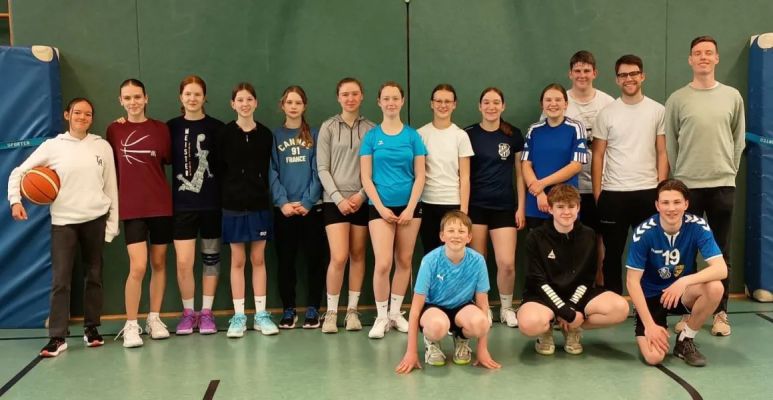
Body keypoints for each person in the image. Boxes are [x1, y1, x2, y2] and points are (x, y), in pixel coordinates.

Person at [8, 98, 118, 357]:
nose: (82, 117)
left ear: (92, 118)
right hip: (64, 222)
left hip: (95, 219)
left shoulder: (101, 146)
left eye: (87, 114)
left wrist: (112, 225)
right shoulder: (53, 146)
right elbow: (18, 172)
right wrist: (15, 200)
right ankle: (57, 337)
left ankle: (92, 328)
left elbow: (111, 186)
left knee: (94, 276)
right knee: (61, 280)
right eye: (77, 112)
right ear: (67, 115)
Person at [665, 36, 745, 337]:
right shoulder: (677, 99)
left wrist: (728, 171)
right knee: (686, 253)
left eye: (709, 53)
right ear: (690, 60)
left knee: (721, 252)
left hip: (723, 184)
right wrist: (681, 177)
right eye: (697, 53)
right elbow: (671, 143)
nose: (703, 57)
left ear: (716, 58)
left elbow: (738, 139)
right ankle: (690, 312)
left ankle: (721, 313)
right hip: (689, 188)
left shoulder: (732, 96)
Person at [626, 179, 727, 367]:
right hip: (651, 296)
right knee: (654, 357)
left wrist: (683, 281)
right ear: (657, 205)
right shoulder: (644, 232)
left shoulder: (697, 226)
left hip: (681, 293)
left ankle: (685, 340)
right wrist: (649, 325)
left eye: (677, 202)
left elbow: (721, 269)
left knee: (715, 287)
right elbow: (632, 282)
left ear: (686, 204)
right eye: (665, 202)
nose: (671, 208)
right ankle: (652, 325)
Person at [517, 184, 628, 356]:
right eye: (560, 207)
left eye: (571, 206)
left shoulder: (589, 235)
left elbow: (587, 278)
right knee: (529, 323)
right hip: (542, 297)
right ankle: (546, 330)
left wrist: (571, 309)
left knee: (620, 308)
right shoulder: (536, 237)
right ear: (551, 209)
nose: (566, 212)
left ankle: (572, 329)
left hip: (577, 296)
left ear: (578, 208)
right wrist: (565, 311)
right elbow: (538, 282)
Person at [592, 55, 668, 294]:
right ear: (617, 80)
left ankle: (650, 300)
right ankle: (613, 302)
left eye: (634, 73)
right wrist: (598, 194)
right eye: (623, 75)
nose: (629, 78)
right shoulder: (606, 113)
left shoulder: (658, 110)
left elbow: (662, 152)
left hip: (648, 192)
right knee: (612, 254)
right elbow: (598, 155)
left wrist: (661, 191)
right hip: (613, 194)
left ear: (642, 76)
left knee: (651, 252)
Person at [108, 79, 173, 348]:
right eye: (127, 98)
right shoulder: (114, 130)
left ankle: (154, 318)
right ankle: (131, 324)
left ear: (146, 98)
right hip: (132, 208)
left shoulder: (161, 129)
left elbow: (167, 160)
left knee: (159, 263)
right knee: (138, 266)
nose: (133, 102)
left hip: (160, 206)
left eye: (137, 97)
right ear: (120, 101)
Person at [360, 81, 427, 339]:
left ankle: (396, 313)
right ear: (379, 102)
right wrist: (380, 207)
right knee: (383, 263)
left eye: (395, 98)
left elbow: (420, 176)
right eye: (386, 98)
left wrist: (410, 208)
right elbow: (366, 178)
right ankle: (381, 316)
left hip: (409, 208)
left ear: (402, 101)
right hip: (380, 208)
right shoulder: (371, 137)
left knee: (404, 260)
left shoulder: (412, 136)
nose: (391, 103)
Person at [395, 211, 500, 373]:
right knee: (437, 326)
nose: (456, 235)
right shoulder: (430, 260)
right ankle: (432, 342)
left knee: (481, 323)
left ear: (469, 237)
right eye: (451, 231)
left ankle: (461, 338)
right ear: (442, 236)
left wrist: (483, 349)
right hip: (434, 308)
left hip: (462, 307)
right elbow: (415, 309)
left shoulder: (478, 261)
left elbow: (483, 304)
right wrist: (411, 352)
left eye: (461, 231)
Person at [219, 82, 279, 338]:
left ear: (256, 103)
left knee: (258, 259)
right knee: (238, 260)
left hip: (258, 206)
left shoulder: (265, 135)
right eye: (240, 100)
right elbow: (218, 169)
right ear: (233, 104)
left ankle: (261, 315)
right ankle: (239, 316)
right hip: (232, 206)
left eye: (249, 99)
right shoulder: (224, 134)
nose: (245, 104)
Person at [167, 75, 225, 335]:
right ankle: (189, 313)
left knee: (211, 259)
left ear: (204, 97)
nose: (192, 98)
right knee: (184, 262)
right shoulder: (171, 127)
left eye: (197, 94)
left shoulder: (217, 128)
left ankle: (207, 313)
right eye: (188, 94)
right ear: (181, 97)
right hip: (183, 207)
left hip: (211, 205)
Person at [318, 78, 374, 333]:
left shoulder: (372, 129)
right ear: (338, 98)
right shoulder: (328, 127)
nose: (350, 98)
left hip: (362, 200)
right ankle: (331, 313)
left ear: (362, 96)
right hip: (334, 202)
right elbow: (322, 168)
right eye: (345, 94)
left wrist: (361, 195)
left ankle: (352, 311)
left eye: (354, 94)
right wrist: (338, 198)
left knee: (358, 254)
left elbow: (374, 169)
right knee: (339, 256)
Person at [465, 87, 525, 328]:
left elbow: (519, 175)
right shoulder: (468, 134)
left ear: (503, 106)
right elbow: (464, 175)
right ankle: (483, 307)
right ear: (479, 106)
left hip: (504, 207)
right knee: (478, 261)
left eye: (496, 102)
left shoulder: (513, 134)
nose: (491, 107)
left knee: (507, 263)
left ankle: (507, 307)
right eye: (487, 102)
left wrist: (520, 207)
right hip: (476, 207)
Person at [269, 85, 327, 329]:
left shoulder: (314, 134)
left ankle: (313, 308)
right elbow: (272, 171)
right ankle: (289, 309)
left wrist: (307, 201)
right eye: (289, 102)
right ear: (282, 106)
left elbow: (319, 170)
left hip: (311, 209)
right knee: (286, 262)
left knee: (315, 260)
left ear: (304, 106)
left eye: (298, 102)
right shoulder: (275, 136)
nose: (293, 106)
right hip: (284, 211)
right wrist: (282, 202)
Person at [564, 51, 615, 279]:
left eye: (586, 70)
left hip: (602, 184)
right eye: (577, 70)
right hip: (570, 185)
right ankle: (573, 289)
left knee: (599, 240)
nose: (582, 75)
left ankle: (599, 288)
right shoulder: (560, 102)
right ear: (570, 74)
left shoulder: (608, 103)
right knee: (571, 239)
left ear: (595, 73)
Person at [418, 84, 474, 254]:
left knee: (454, 255)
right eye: (439, 101)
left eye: (447, 101)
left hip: (452, 204)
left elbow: (465, 177)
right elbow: (418, 173)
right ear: (432, 104)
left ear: (454, 104)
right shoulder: (420, 134)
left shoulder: (460, 136)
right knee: (431, 254)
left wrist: (463, 212)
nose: (443, 105)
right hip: (427, 204)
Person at [522, 83, 586, 228]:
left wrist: (542, 184)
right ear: (542, 105)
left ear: (566, 104)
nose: (553, 104)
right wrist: (539, 193)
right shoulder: (533, 130)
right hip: (537, 203)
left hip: (565, 206)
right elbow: (526, 165)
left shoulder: (576, 128)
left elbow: (576, 166)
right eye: (548, 100)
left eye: (558, 100)